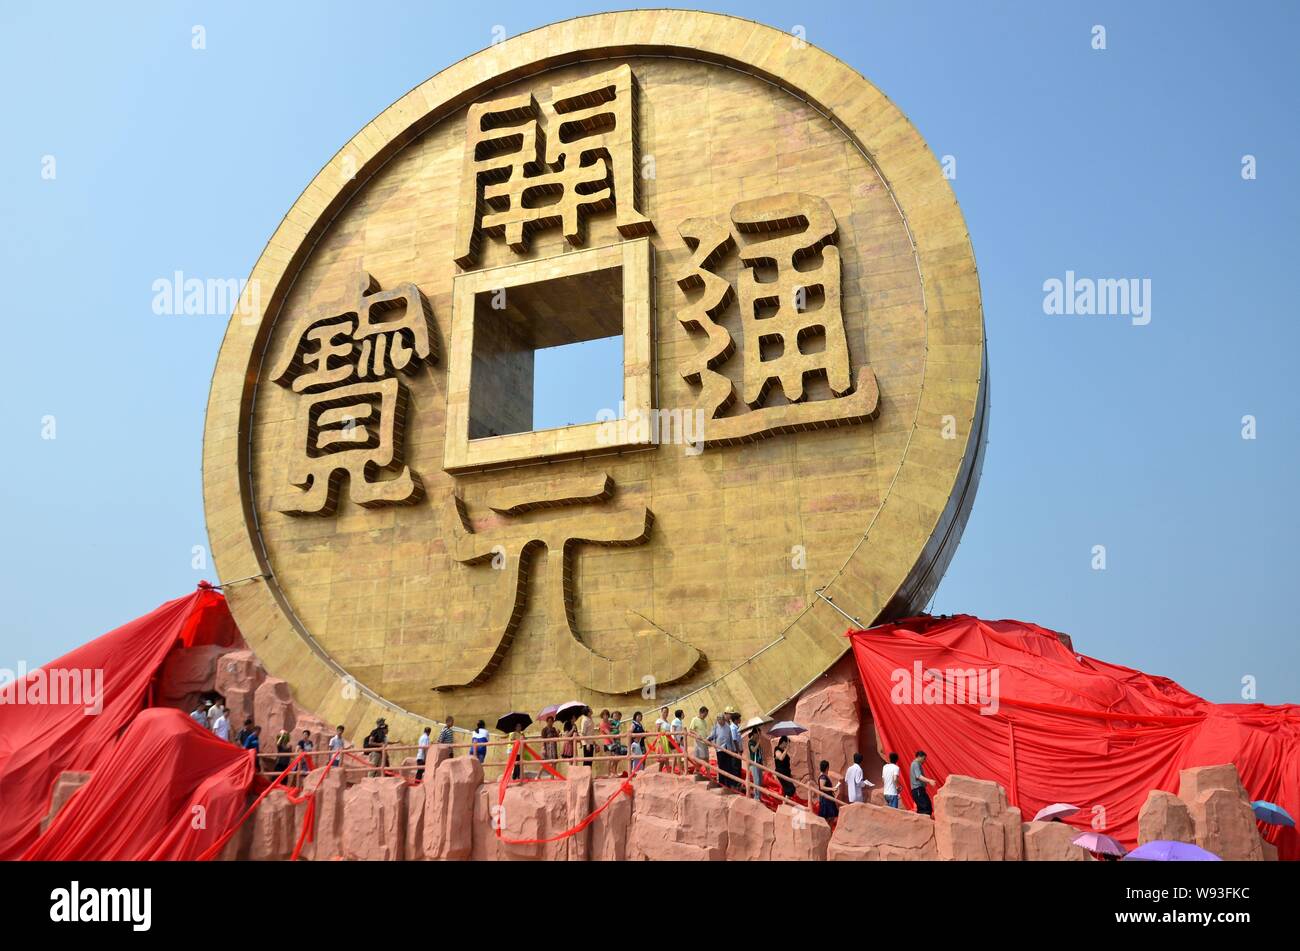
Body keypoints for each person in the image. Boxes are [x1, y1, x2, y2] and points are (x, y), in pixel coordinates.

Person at [709, 713, 737, 788]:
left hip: (728, 749)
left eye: (722, 720)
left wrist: (733, 749)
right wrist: (707, 739)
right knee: (721, 766)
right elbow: (712, 736)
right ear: (718, 720)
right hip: (719, 749)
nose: (721, 721)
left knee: (728, 767)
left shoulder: (728, 726)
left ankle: (728, 784)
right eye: (719, 720)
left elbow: (731, 738)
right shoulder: (715, 727)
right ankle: (722, 783)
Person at [910, 750, 938, 815]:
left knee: (926, 806)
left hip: (919, 790)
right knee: (925, 808)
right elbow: (919, 776)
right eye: (924, 759)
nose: (924, 761)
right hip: (917, 790)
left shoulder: (916, 764)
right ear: (919, 757)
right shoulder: (916, 764)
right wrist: (929, 781)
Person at [746, 725, 765, 801]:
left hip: (759, 763)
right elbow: (753, 750)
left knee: (760, 781)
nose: (759, 736)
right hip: (754, 764)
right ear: (754, 734)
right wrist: (758, 743)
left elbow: (759, 752)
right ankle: (756, 797)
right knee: (756, 780)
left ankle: (759, 797)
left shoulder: (756, 742)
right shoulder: (750, 742)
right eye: (758, 734)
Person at [688, 706, 709, 771]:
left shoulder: (704, 721)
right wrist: (697, 735)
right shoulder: (695, 719)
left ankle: (708, 774)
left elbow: (704, 731)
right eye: (704, 714)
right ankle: (696, 772)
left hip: (705, 742)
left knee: (706, 758)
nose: (705, 716)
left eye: (706, 715)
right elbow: (691, 730)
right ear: (700, 712)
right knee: (700, 759)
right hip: (699, 743)